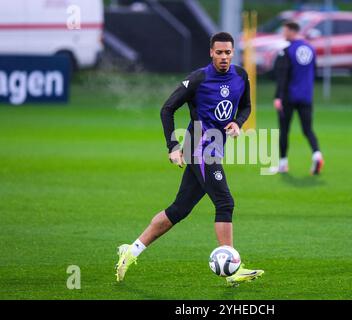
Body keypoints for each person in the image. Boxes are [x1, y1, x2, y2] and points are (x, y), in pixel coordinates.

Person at [115, 32, 264, 286]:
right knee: (225, 202)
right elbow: (167, 108)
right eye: (219, 53)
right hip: (198, 149)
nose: (224, 57)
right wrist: (173, 146)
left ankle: (131, 251)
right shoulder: (198, 79)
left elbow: (246, 107)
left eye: (228, 52)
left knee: (179, 210)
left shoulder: (240, 76)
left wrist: (238, 124)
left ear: (233, 52)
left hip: (214, 149)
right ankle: (231, 270)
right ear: (211, 53)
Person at [272, 21, 324, 175]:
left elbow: (283, 76)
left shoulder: (287, 51)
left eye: (285, 31)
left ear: (292, 31)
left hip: (289, 96)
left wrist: (278, 97)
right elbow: (314, 70)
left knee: (284, 130)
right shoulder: (311, 49)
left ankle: (282, 163)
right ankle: (317, 154)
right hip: (306, 96)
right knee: (307, 129)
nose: (283, 34)